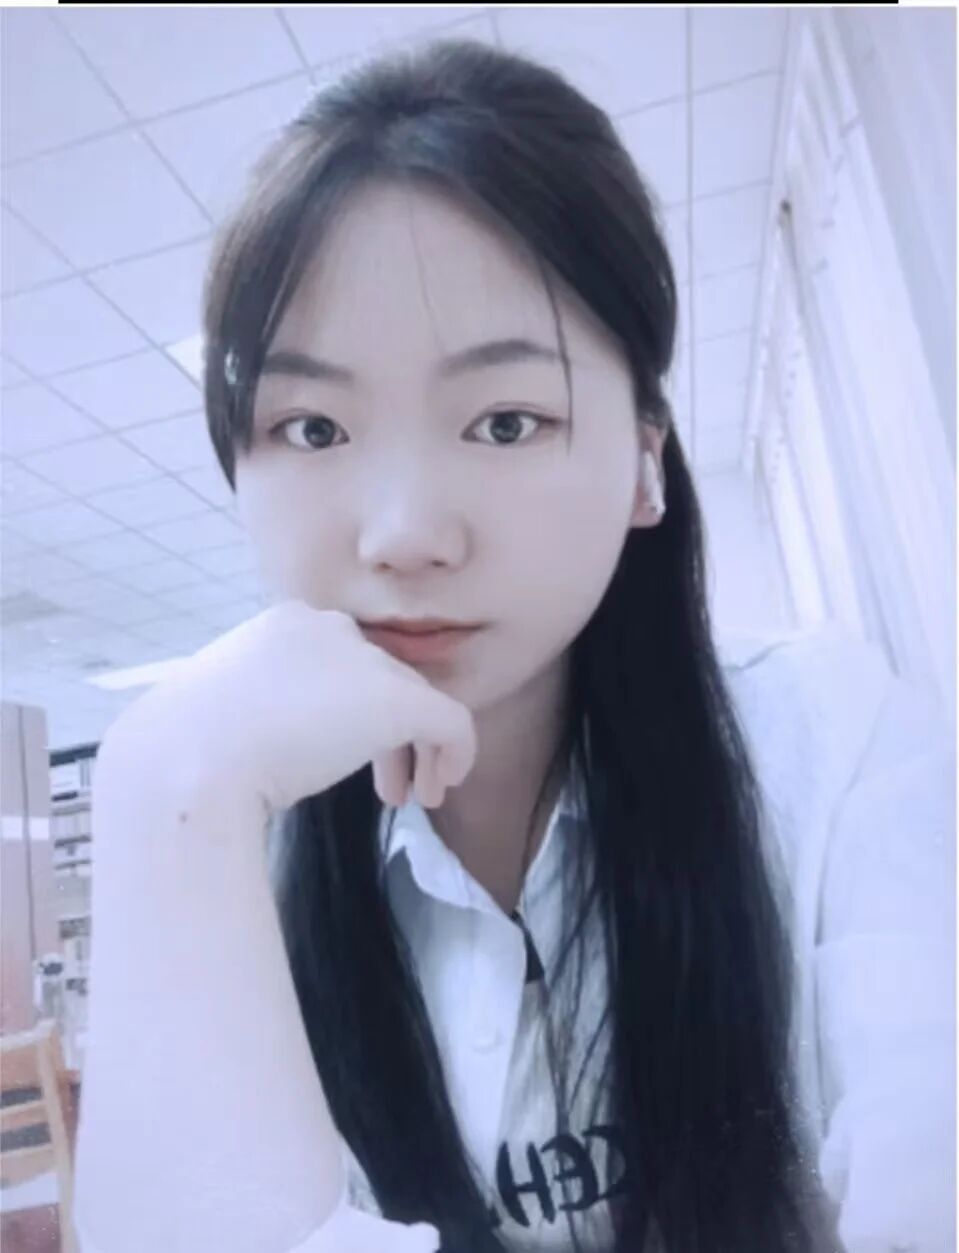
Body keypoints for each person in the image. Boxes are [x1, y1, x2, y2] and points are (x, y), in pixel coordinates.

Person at [72, 36, 955, 1253]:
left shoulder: (834, 758)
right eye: (313, 426)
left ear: (644, 457)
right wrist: (156, 786)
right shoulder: (230, 855)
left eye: (503, 420)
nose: (401, 533)